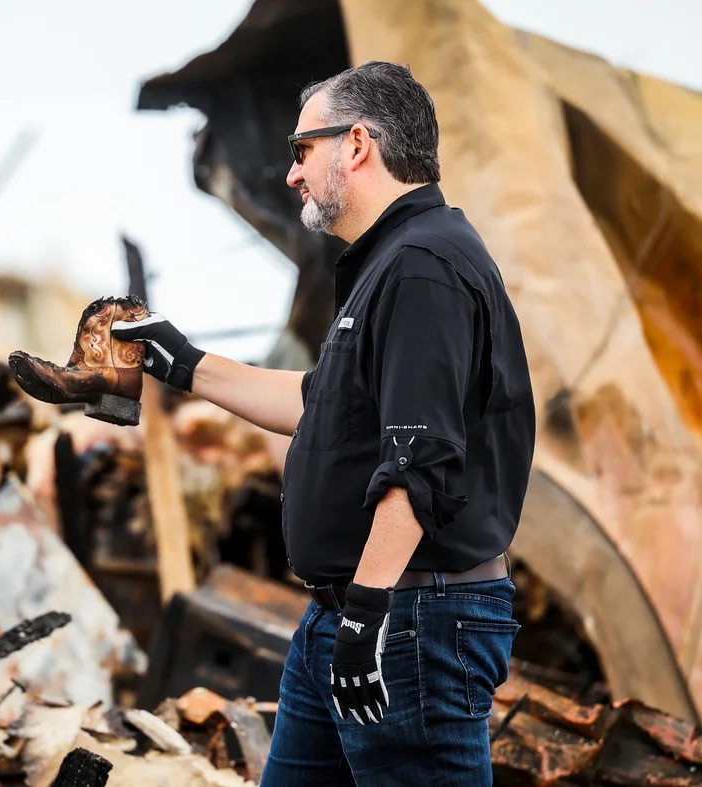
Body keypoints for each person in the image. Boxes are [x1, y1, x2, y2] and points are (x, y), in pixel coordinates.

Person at [111, 61, 536, 786]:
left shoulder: (424, 266)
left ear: (359, 144)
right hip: (347, 619)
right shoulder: (386, 265)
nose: (290, 174)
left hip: (409, 621)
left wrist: (366, 617)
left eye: (302, 149)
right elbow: (324, 406)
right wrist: (184, 362)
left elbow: (418, 459)